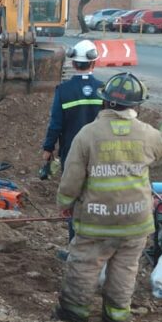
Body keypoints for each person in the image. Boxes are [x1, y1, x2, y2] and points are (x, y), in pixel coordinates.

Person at [55, 72, 162, 322]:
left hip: (96, 220)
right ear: (136, 106)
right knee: (124, 269)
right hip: (135, 221)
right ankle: (115, 316)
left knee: (85, 265)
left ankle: (75, 312)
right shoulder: (147, 134)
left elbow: (72, 177)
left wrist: (65, 203)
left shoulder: (88, 134)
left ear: (105, 101)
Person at [43, 39, 104, 247]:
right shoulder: (103, 89)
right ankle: (97, 241)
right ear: (93, 63)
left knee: (73, 198)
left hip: (72, 154)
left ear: (73, 63)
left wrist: (48, 148)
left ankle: (74, 245)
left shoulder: (64, 91)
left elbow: (56, 124)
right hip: (101, 154)